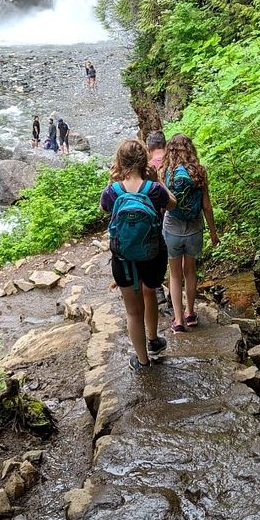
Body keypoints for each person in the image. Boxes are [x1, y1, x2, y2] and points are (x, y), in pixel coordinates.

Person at [100, 139, 176, 372]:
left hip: (123, 259)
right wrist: (157, 181)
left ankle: (142, 361)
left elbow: (104, 209)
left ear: (119, 162)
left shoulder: (112, 191)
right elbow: (172, 204)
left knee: (132, 311)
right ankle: (153, 339)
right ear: (145, 161)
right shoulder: (153, 189)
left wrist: (113, 181)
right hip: (152, 253)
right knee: (149, 292)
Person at [160, 133, 220, 333]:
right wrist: (213, 232)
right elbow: (207, 205)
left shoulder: (166, 172)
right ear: (190, 149)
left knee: (175, 275)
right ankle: (191, 313)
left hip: (172, 229)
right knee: (190, 272)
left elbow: (162, 205)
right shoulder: (199, 172)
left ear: (170, 150)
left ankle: (178, 321)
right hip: (194, 228)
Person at [146, 130, 168, 305]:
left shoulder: (147, 168)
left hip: (154, 218)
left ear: (149, 148)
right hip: (176, 216)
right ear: (164, 145)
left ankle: (158, 289)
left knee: (156, 254)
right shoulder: (174, 162)